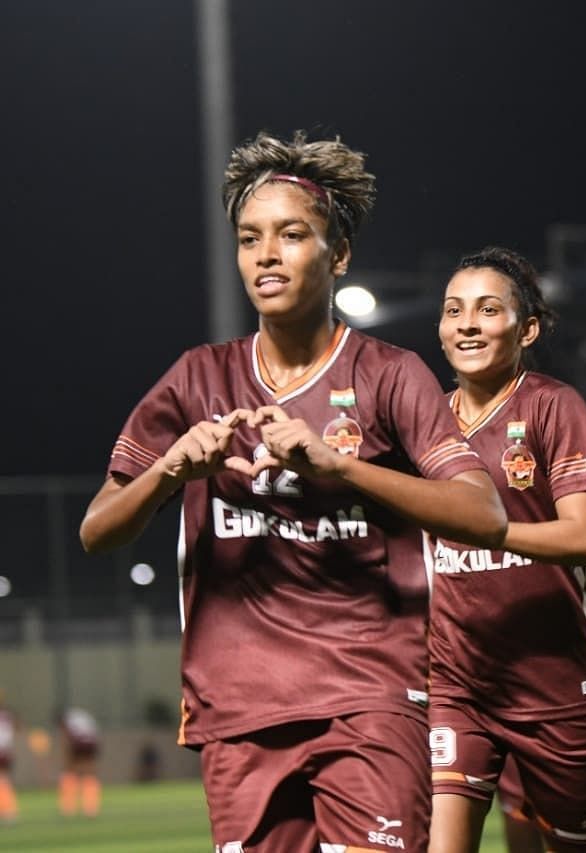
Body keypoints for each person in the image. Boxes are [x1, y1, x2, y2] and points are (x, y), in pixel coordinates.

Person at [79, 130, 507, 852]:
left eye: (290, 235)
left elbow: (483, 514)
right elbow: (97, 530)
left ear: (336, 255)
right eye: (249, 239)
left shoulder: (388, 373)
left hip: (369, 698)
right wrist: (170, 471)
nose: (266, 254)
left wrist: (341, 469)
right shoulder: (196, 378)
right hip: (238, 706)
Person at [427, 247, 586, 853]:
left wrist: (492, 531)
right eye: (453, 310)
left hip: (557, 688)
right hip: (457, 685)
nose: (467, 324)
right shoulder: (423, 420)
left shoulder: (552, 405)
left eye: (488, 310)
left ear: (527, 328)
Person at [57, 706, 101, 817]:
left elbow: (66, 736)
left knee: (70, 771)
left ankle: (68, 807)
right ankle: (91, 808)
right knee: (89, 772)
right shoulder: (82, 715)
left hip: (78, 742)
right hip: (92, 742)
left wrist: (66, 756)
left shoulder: (67, 719)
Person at [0, 691, 18, 824]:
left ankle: (8, 812)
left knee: (2, 780)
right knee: (4, 780)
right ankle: (9, 811)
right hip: (6, 751)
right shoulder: (7, 716)